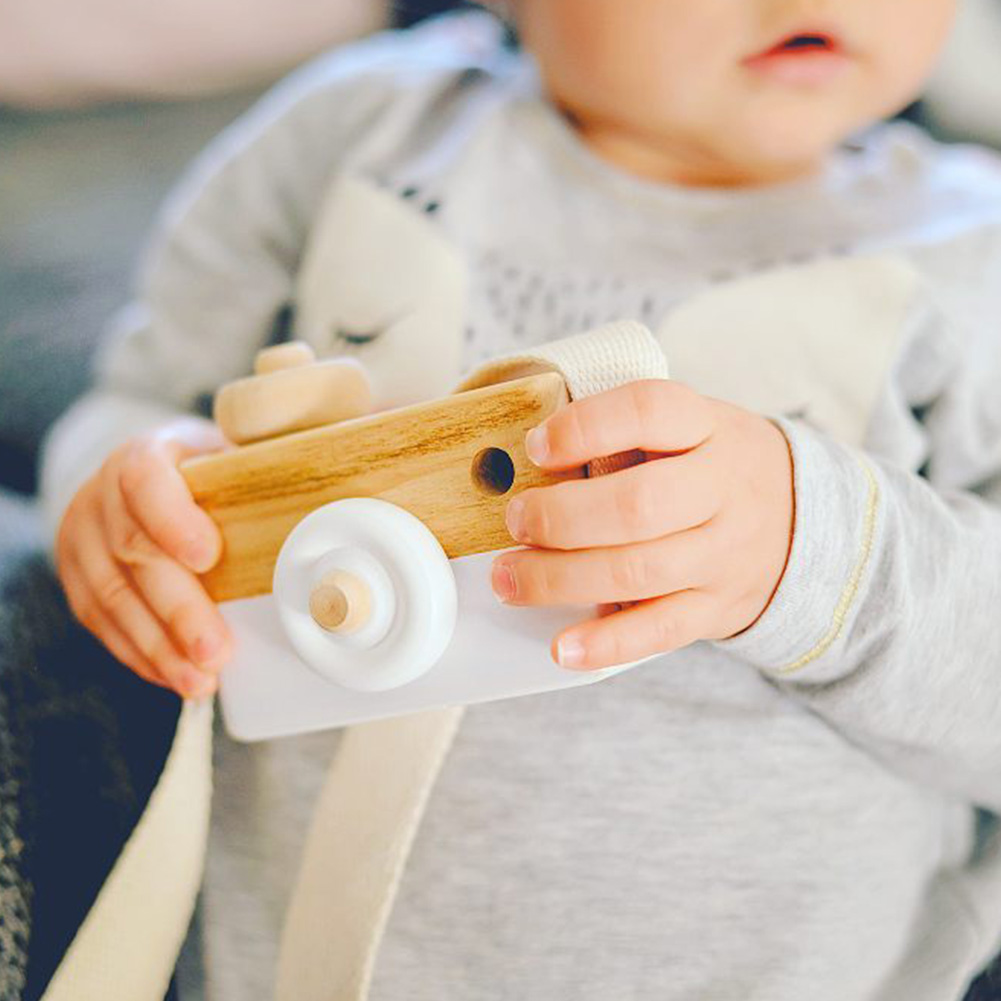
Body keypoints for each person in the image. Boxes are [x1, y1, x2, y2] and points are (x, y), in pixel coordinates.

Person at [38, 0, 1001, 998]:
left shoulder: (973, 257)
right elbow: (139, 398)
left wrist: (814, 548)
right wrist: (129, 496)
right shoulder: (362, 133)